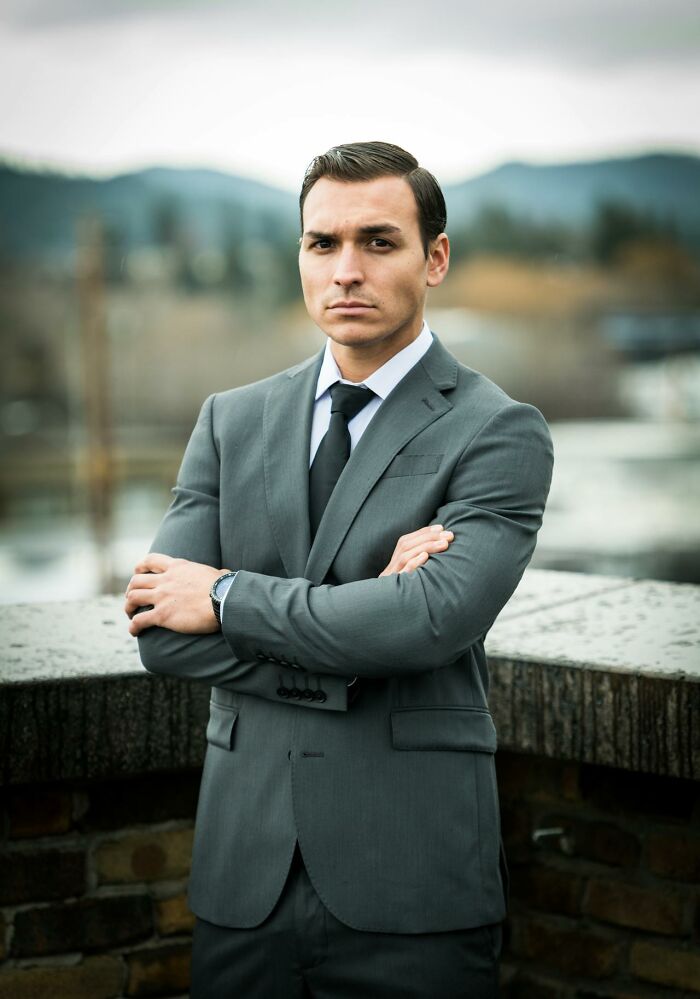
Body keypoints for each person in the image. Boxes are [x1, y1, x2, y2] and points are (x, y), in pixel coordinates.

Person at [125, 140, 553, 998]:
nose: (346, 270)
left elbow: (427, 621)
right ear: (301, 257)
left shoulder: (497, 430)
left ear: (435, 258)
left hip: (414, 881)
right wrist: (361, 624)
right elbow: (161, 634)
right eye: (323, 243)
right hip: (244, 879)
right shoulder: (230, 421)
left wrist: (225, 595)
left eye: (378, 241)